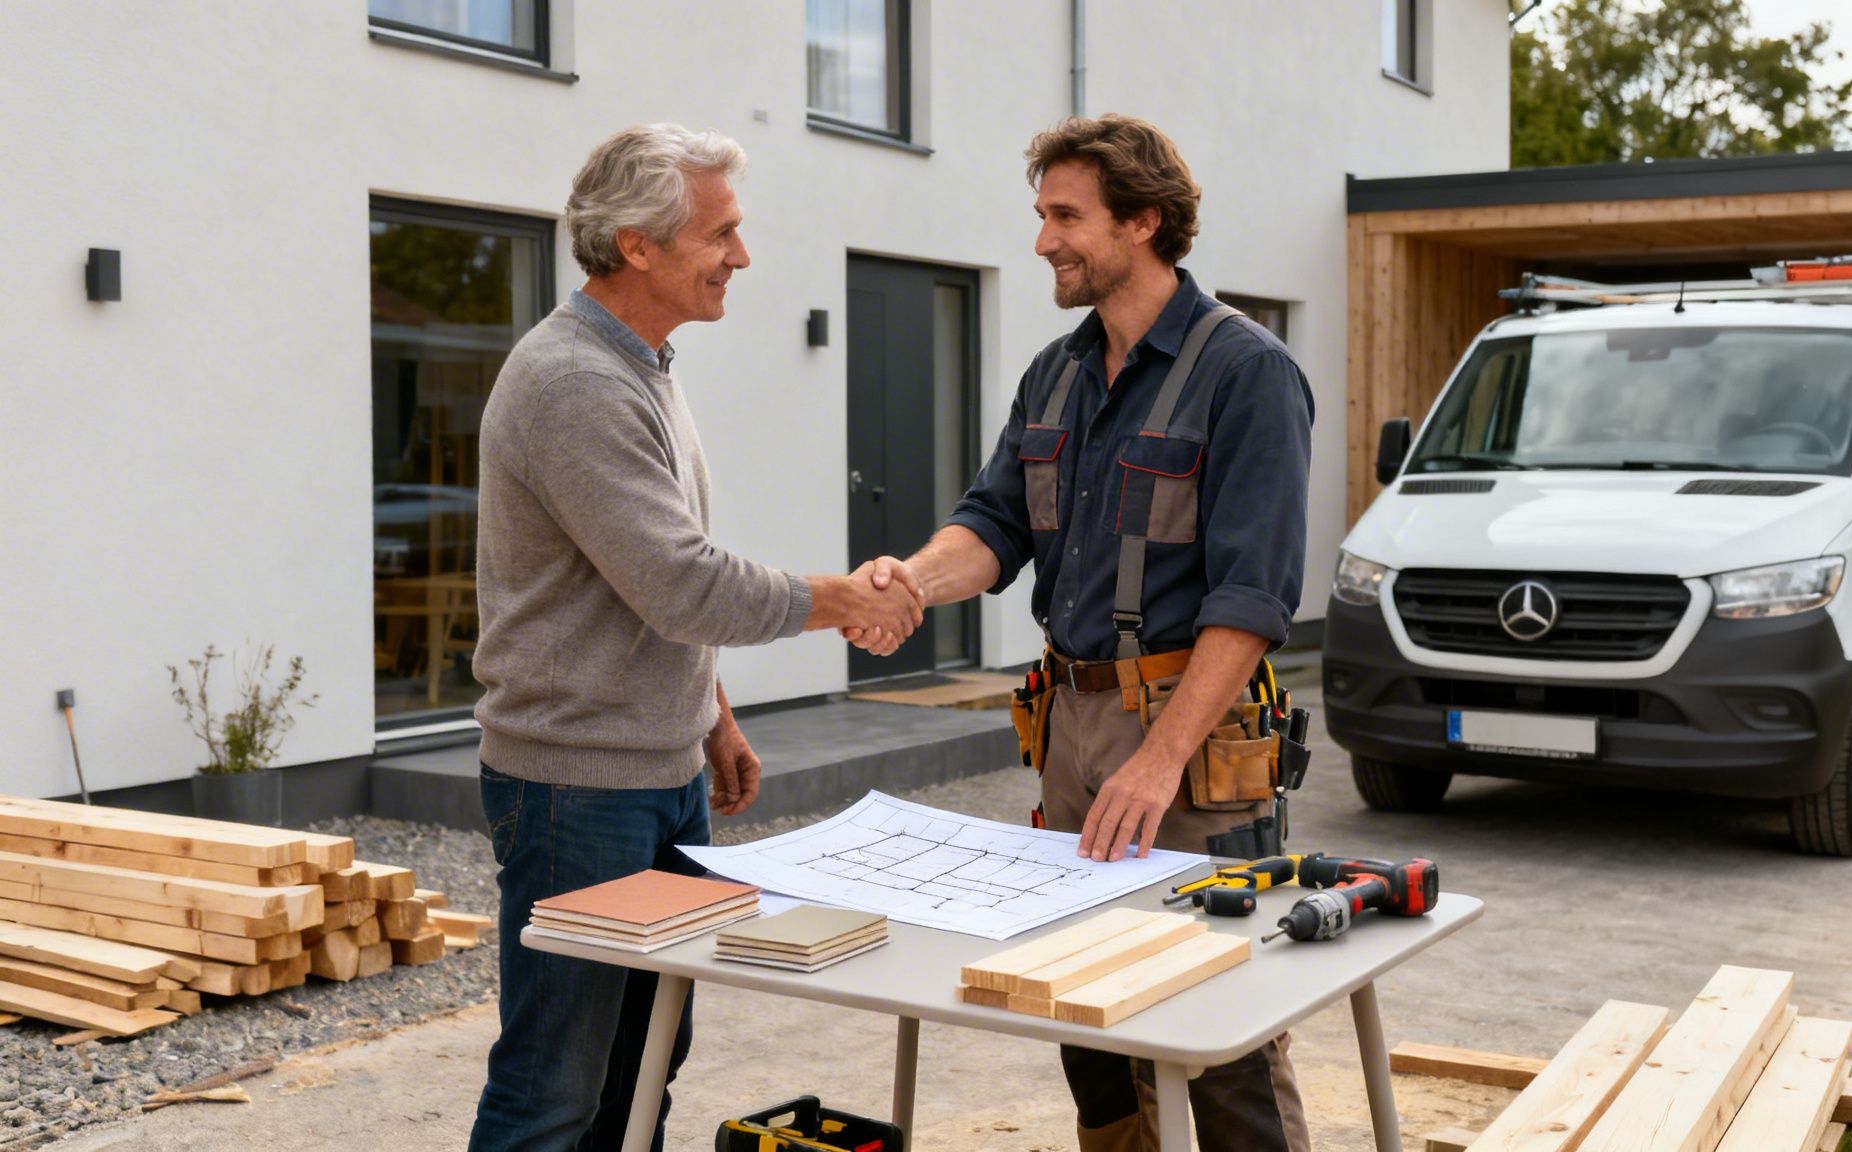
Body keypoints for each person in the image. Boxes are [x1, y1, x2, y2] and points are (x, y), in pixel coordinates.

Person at [854, 114, 1315, 1152]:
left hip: (1188, 745)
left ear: (1142, 221)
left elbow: (1250, 603)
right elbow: (994, 524)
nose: (1043, 241)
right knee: (1083, 1009)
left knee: (1221, 1022)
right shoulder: (1054, 375)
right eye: (1041, 214)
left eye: (1065, 217)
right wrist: (911, 583)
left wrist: (1157, 764)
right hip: (1068, 726)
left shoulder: (1246, 373)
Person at [466, 123, 922, 1152]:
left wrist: (709, 715)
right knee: (556, 1085)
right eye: (721, 234)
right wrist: (846, 601)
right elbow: (679, 584)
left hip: (653, 775)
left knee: (641, 1067)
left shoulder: (643, 367)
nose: (742, 257)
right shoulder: (574, 383)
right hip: (576, 787)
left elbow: (643, 572)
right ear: (636, 244)